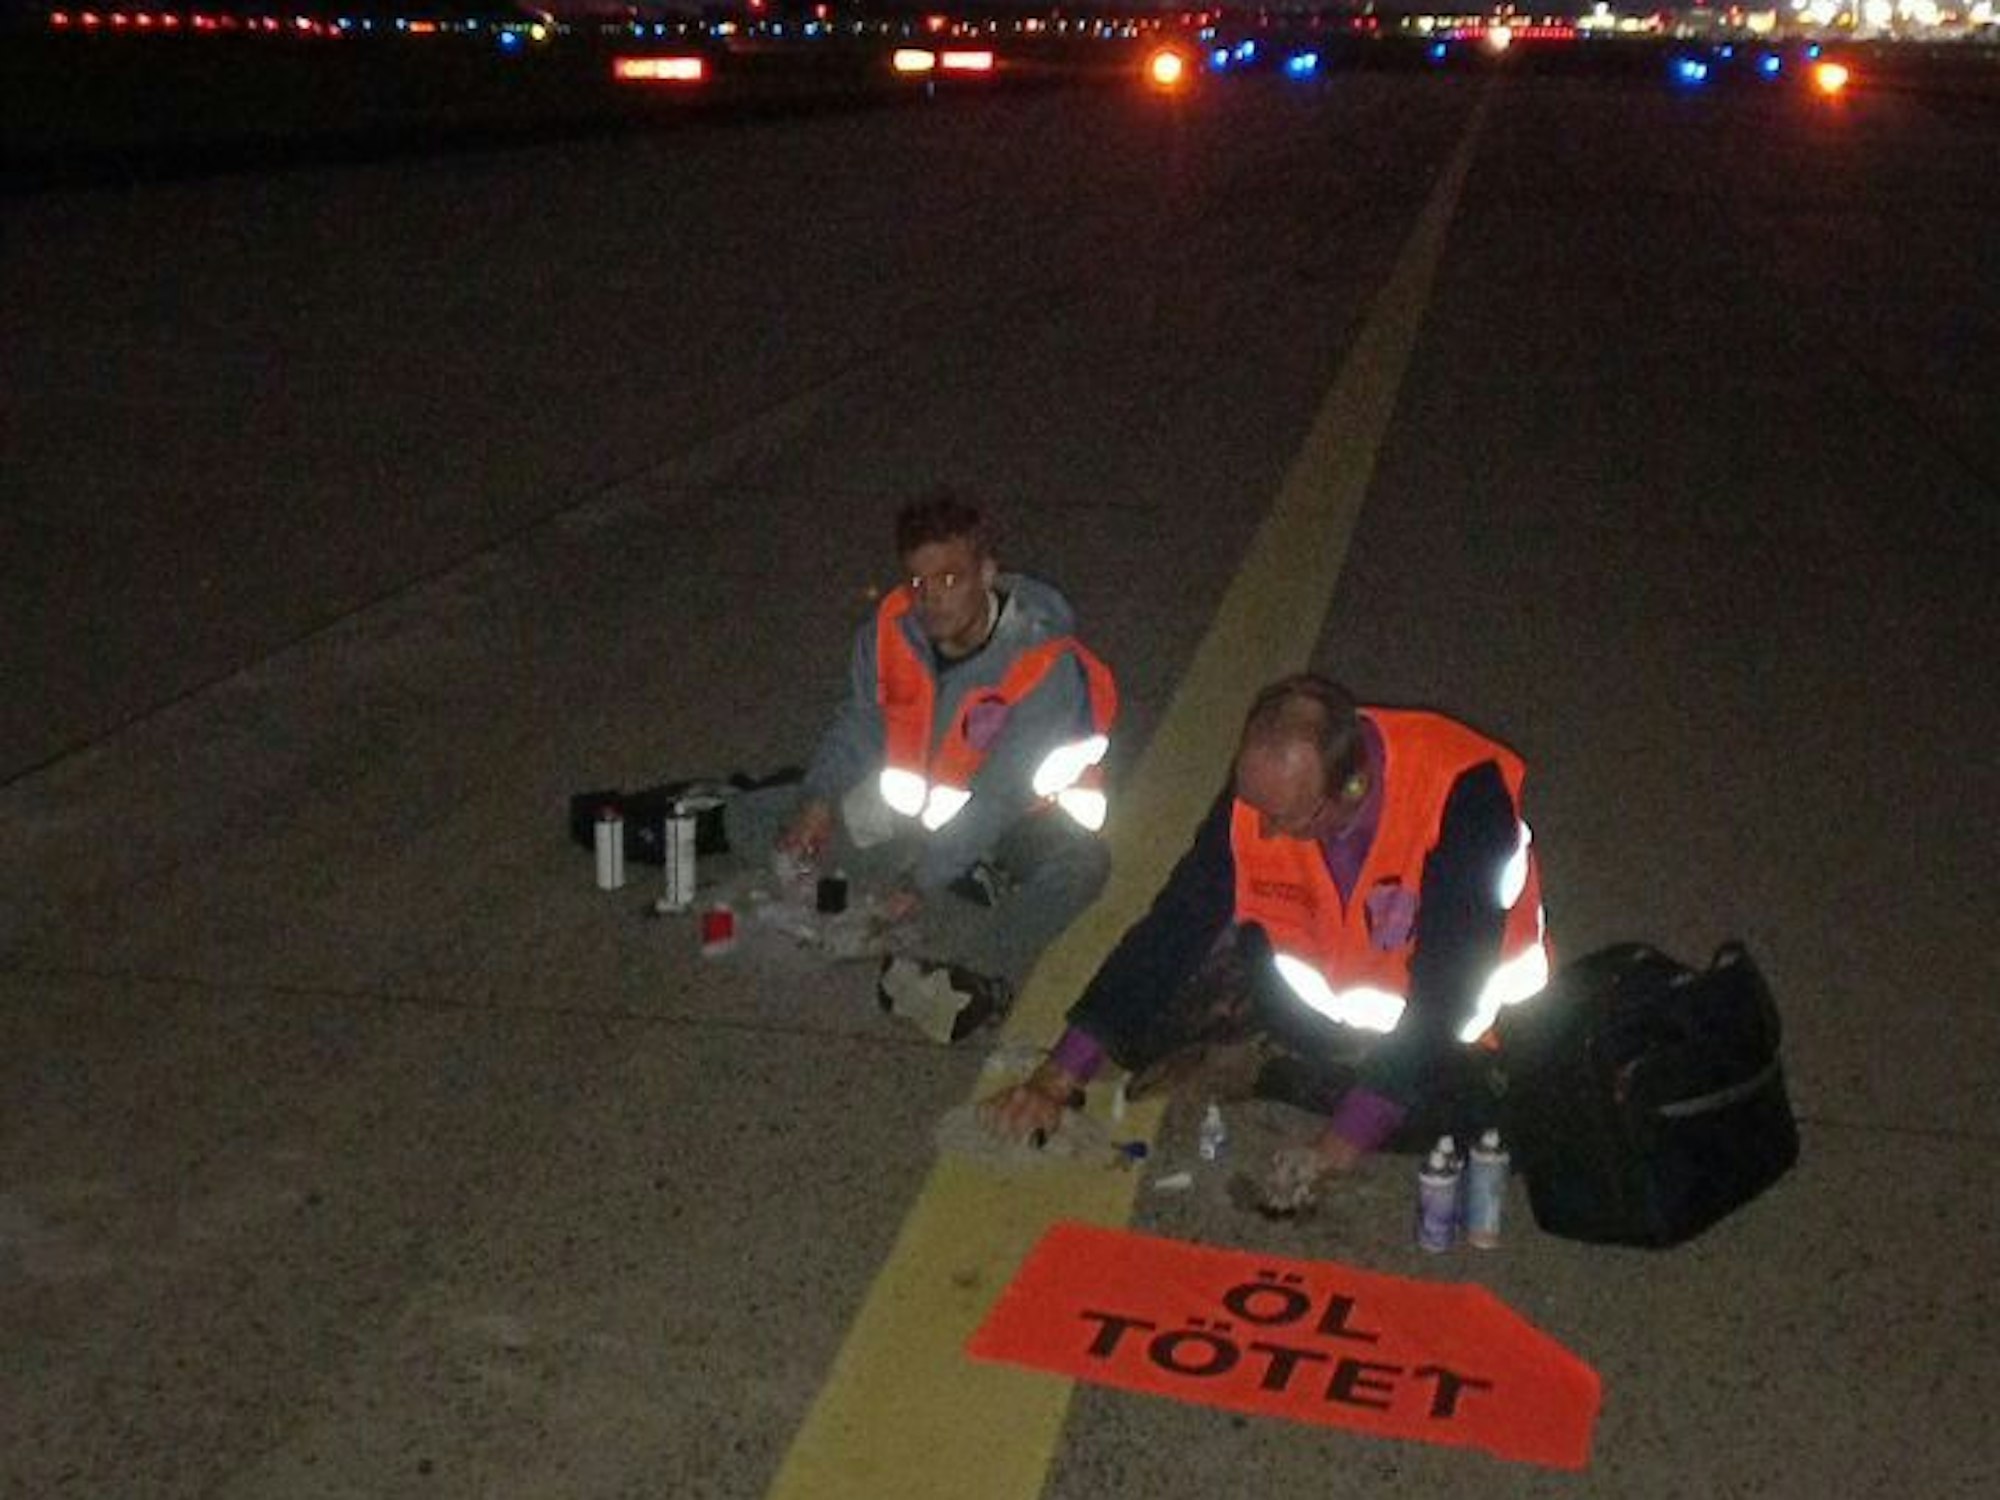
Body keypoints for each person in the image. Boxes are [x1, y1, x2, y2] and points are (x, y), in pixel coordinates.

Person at [980, 673, 1550, 1208]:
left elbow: (1448, 994)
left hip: (1455, 1036)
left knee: (1494, 1128)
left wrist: (1337, 1147)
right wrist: (1057, 1077)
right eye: (1258, 809)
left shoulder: (1465, 796)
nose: (1269, 832)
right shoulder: (1264, 791)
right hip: (1315, 1007)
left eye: (1290, 818)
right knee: (1144, 1010)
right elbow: (1178, 920)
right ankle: (1280, 1059)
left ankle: (1284, 1071)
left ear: (1351, 786)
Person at [726, 491, 1117, 1043]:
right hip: (923, 813)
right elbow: (860, 723)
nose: (931, 600)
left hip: (1016, 824)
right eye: (918, 583)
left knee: (1082, 866)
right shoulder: (890, 630)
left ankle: (978, 969)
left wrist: (918, 879)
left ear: (987, 573)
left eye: (950, 580)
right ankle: (946, 879)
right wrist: (816, 803)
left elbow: (1000, 799)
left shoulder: (1041, 662)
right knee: (749, 814)